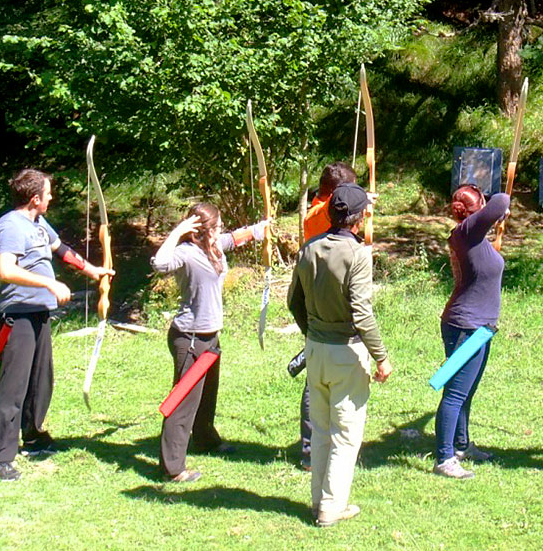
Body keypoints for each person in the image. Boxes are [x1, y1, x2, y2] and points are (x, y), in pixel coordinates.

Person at [0, 168, 114, 480]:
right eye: (48, 193)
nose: (51, 197)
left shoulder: (38, 223)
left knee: (40, 380)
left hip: (38, 314)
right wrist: (49, 285)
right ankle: (0, 458)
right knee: (12, 386)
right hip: (17, 315)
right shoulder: (11, 225)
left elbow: (62, 251)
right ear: (35, 198)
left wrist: (93, 270)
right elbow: (5, 270)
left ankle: (33, 437)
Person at [288, 183, 392, 527]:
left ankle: (320, 502)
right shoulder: (358, 254)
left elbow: (293, 301)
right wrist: (381, 357)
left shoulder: (309, 248)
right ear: (359, 219)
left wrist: (312, 333)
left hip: (316, 350)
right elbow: (362, 312)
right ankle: (331, 508)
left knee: (320, 429)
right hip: (346, 351)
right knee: (346, 434)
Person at [151, 203, 268, 482]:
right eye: (216, 228)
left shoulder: (211, 248)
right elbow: (159, 263)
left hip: (209, 337)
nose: (220, 232)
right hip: (190, 339)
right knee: (181, 403)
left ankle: (205, 440)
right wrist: (178, 231)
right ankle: (172, 468)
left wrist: (257, 231)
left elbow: (231, 239)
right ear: (203, 231)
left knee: (206, 395)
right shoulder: (186, 254)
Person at [432, 184, 510, 479]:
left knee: (467, 391)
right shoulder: (467, 231)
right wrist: (497, 210)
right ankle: (444, 458)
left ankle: (461, 445)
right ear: (478, 208)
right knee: (455, 393)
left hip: (479, 326)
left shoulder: (473, 236)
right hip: (466, 327)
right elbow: (502, 200)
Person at [295, 161, 359, 471]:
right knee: (316, 381)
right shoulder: (317, 212)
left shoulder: (331, 209)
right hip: (321, 304)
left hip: (337, 299)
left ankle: (329, 441)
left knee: (332, 375)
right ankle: (310, 449)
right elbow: (321, 217)